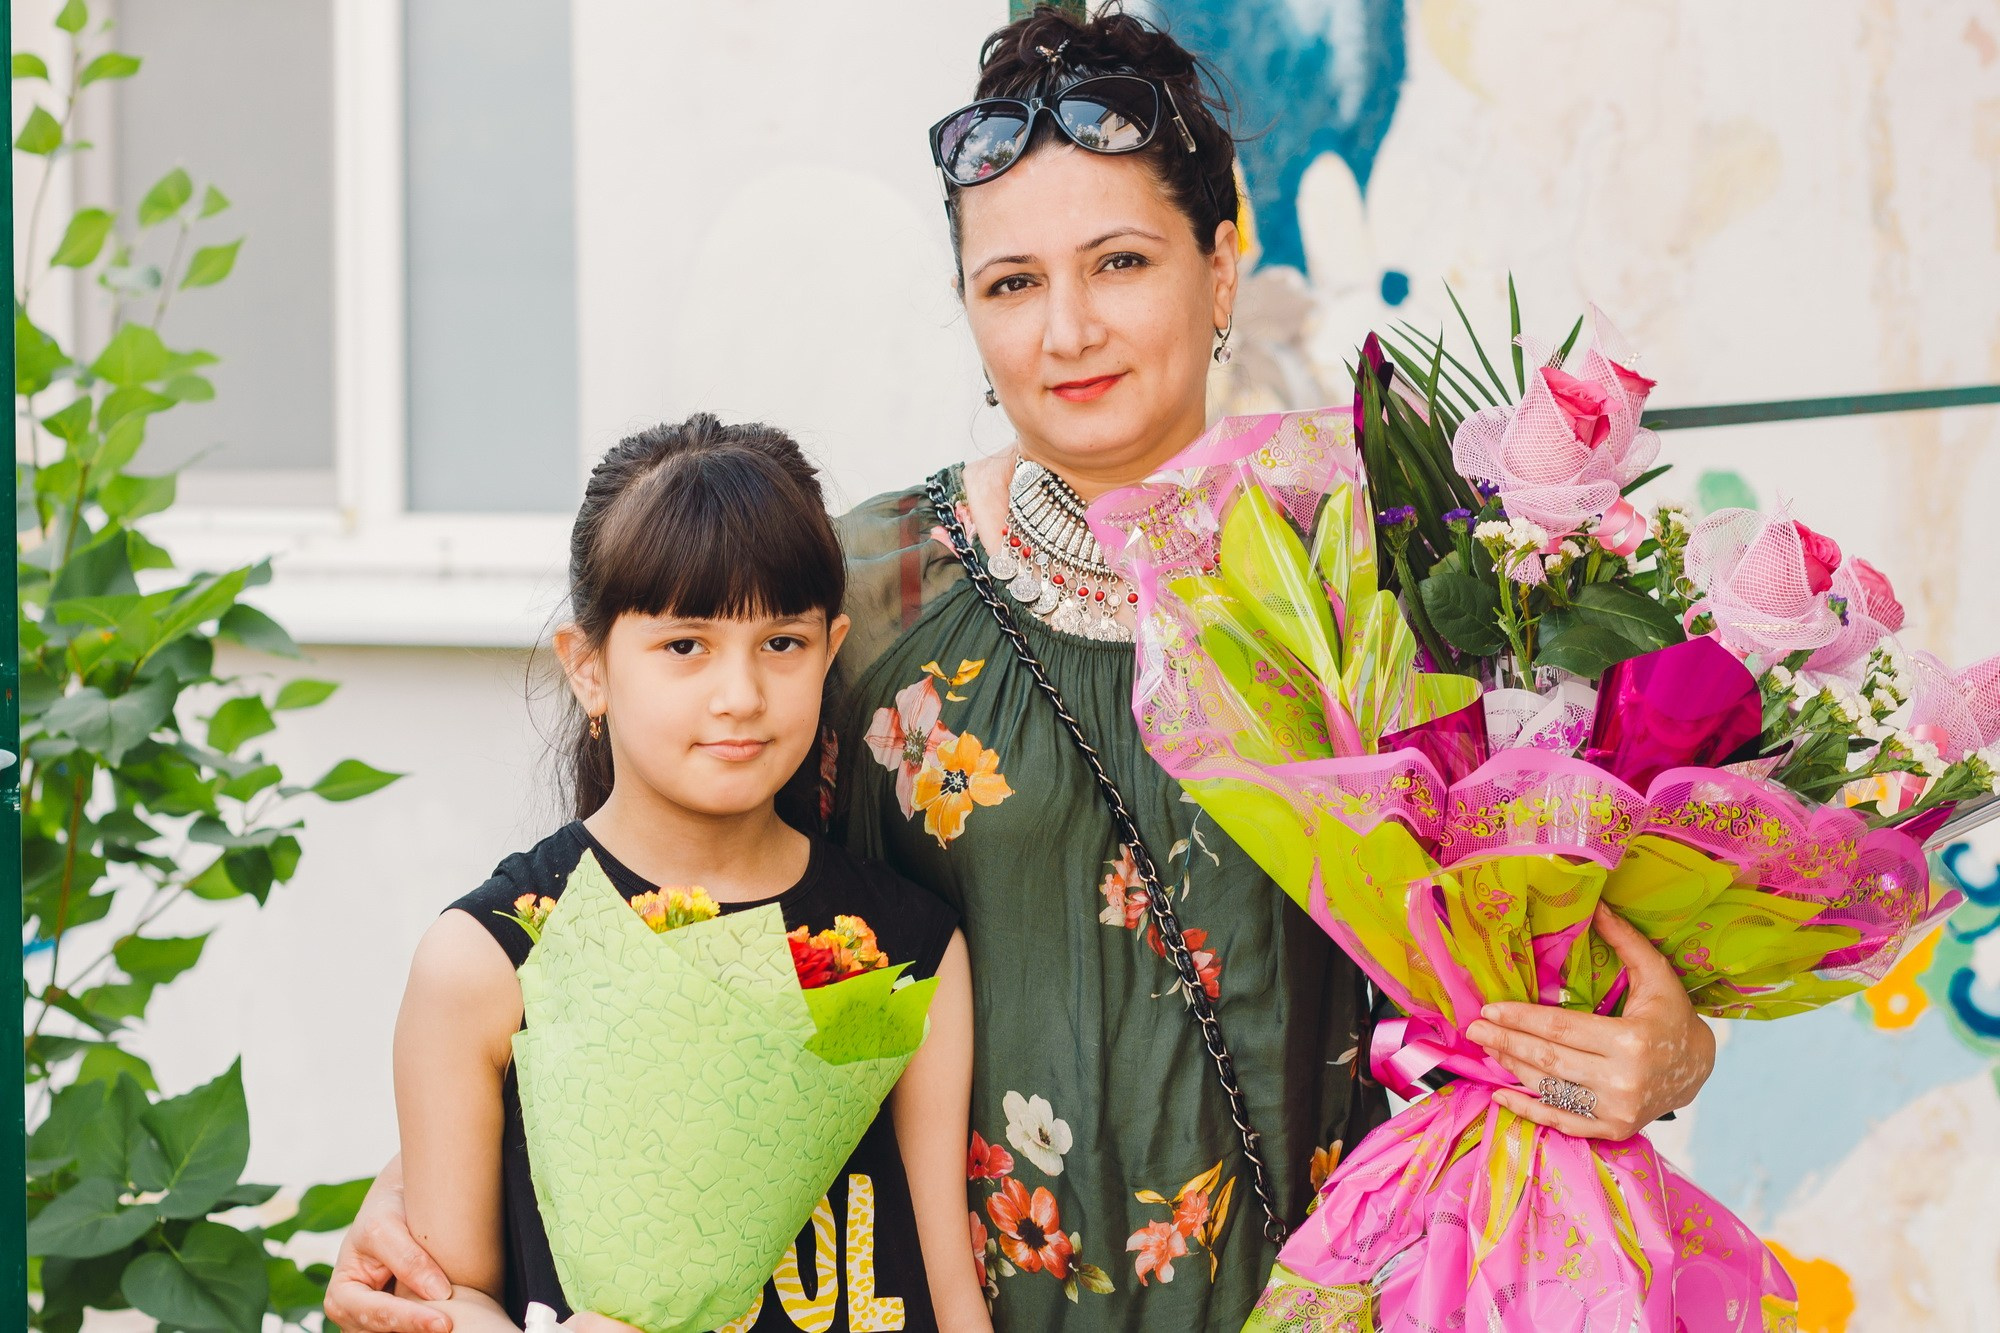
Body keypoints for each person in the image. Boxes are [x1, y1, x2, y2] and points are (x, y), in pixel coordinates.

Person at [327, 10, 1716, 1331]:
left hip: (1341, 1287)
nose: (1067, 330)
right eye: (1011, 283)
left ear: (1222, 261)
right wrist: (440, 1203)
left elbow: (1556, 920)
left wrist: (1672, 1045)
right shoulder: (861, 597)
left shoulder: (1398, 576)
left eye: (1120, 262)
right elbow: (655, 936)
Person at [385, 417, 987, 1333]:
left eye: (781, 643)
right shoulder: (496, 960)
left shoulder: (890, 950)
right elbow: (445, 1290)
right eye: (685, 646)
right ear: (589, 668)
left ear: (830, 650)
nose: (740, 694)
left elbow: (947, 1287)